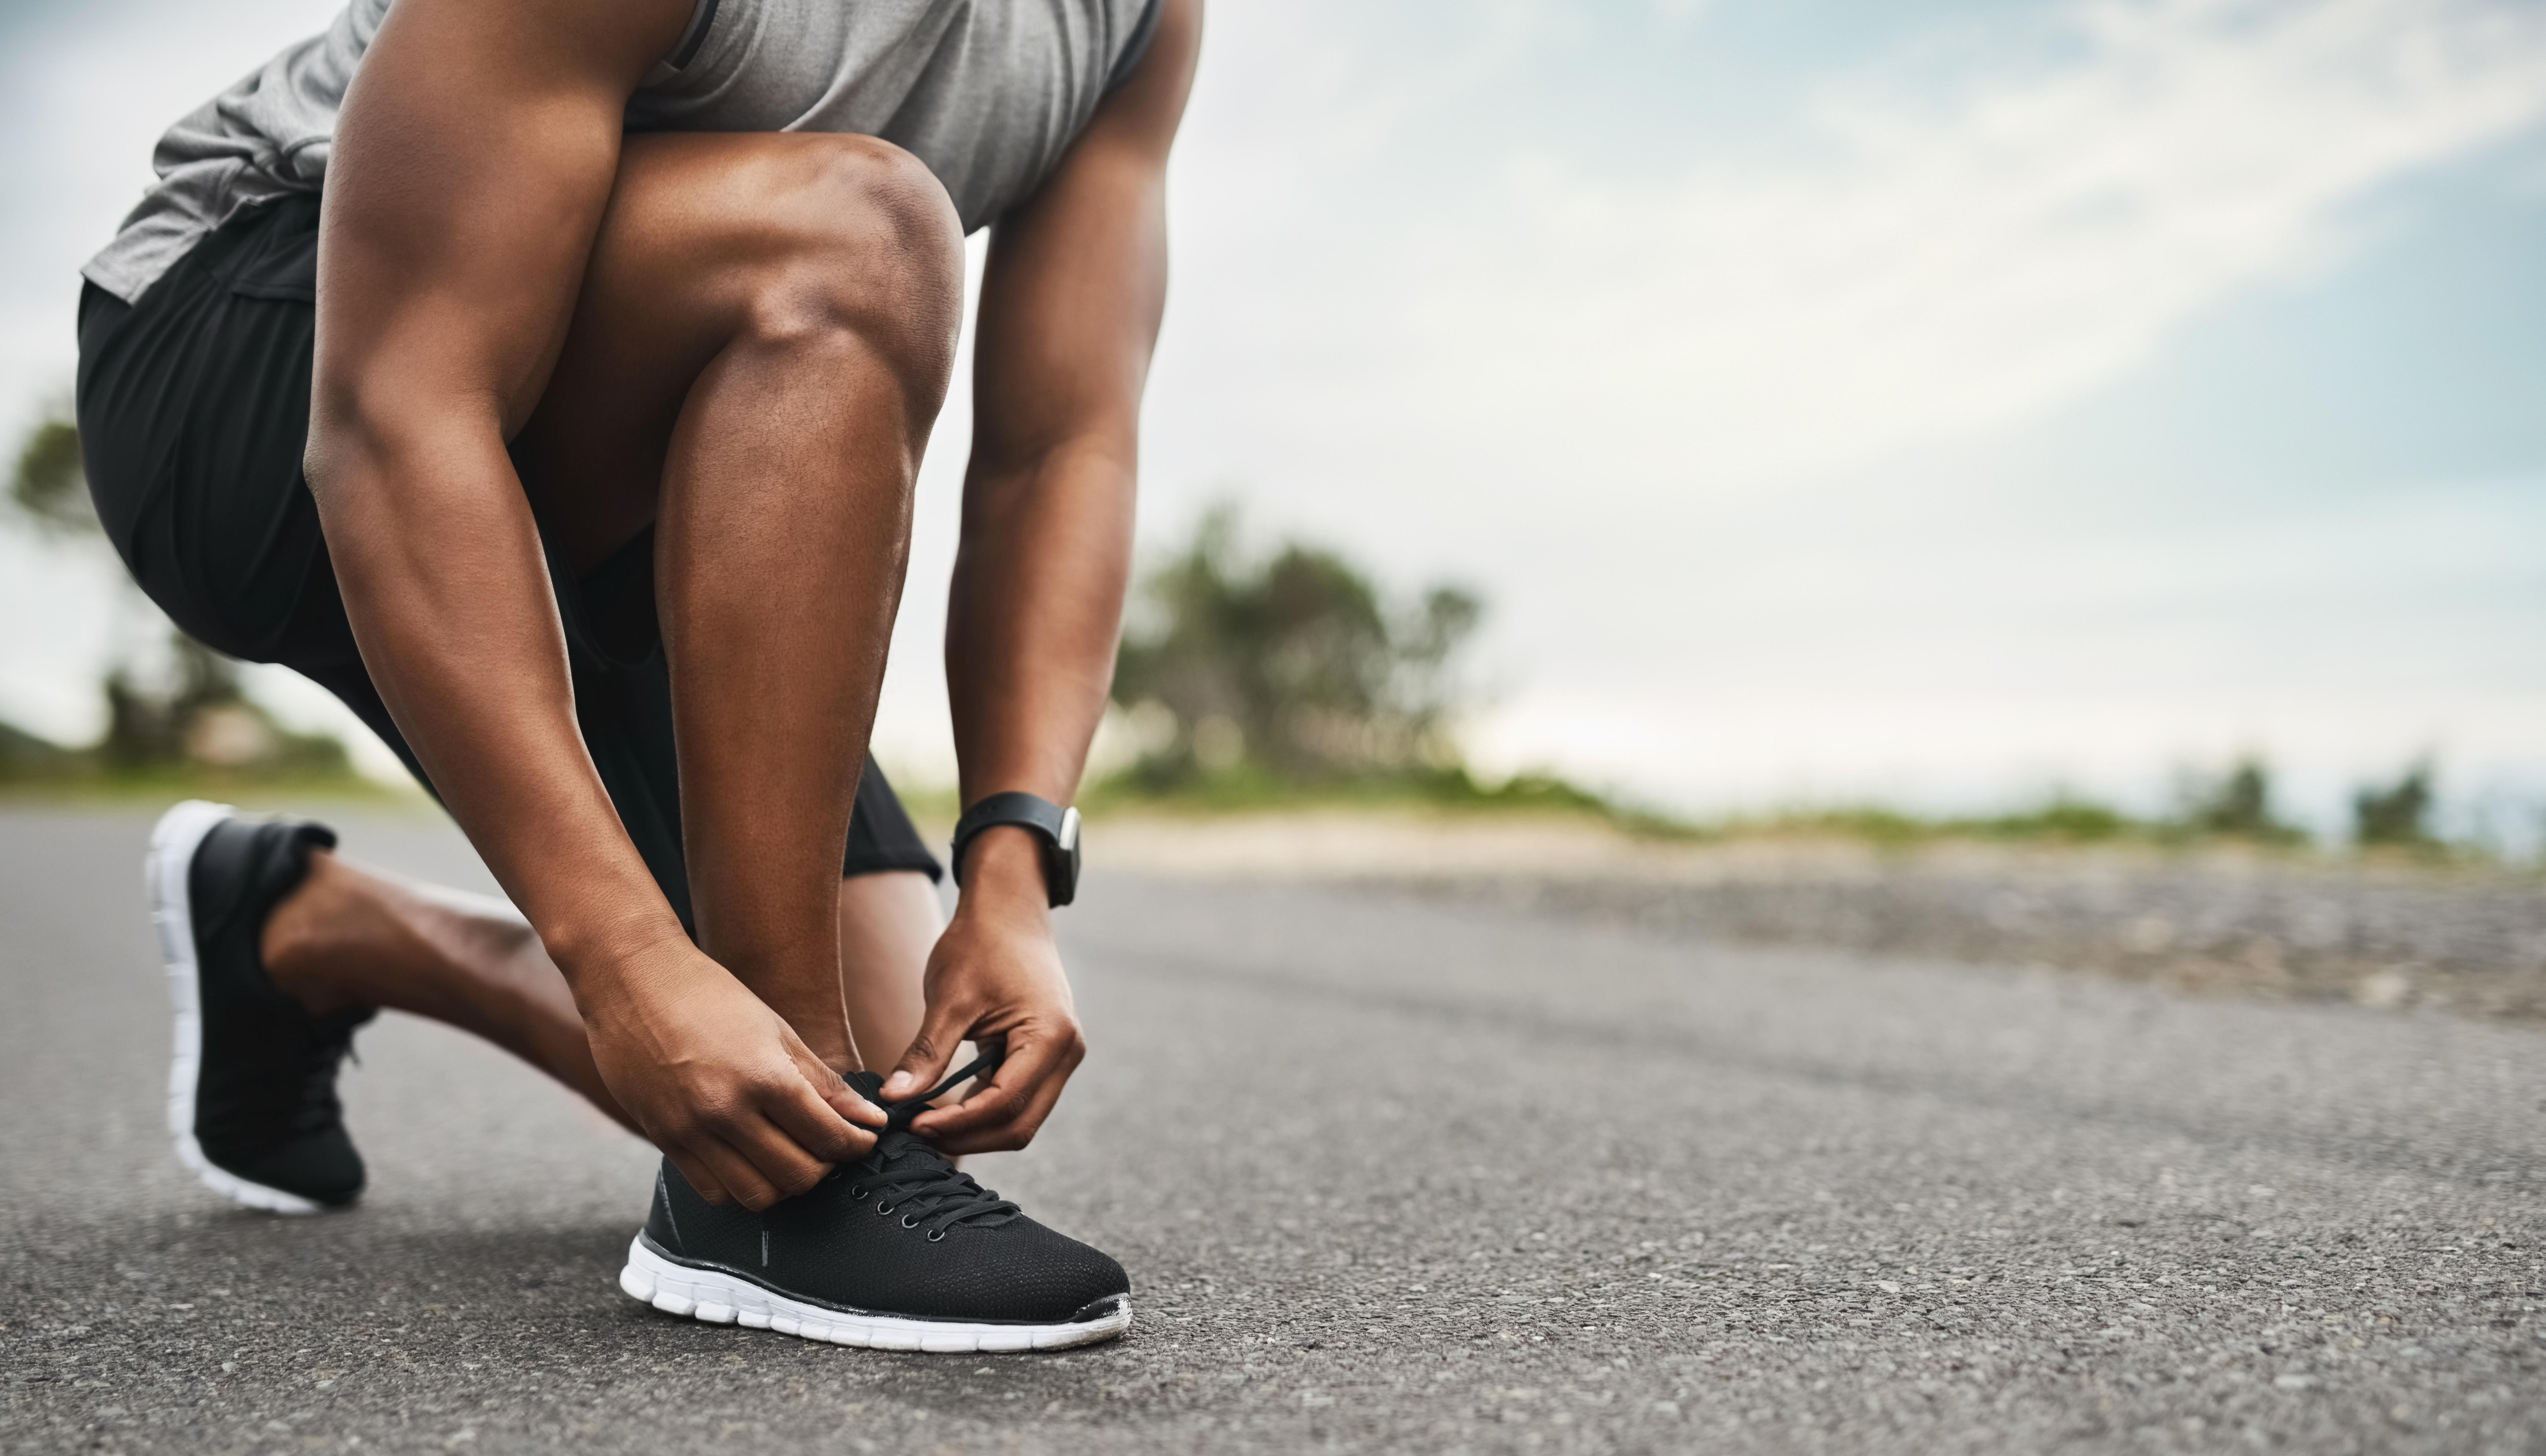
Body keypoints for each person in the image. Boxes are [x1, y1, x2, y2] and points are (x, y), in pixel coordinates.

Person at [77, 0, 1198, 1354]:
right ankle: (772, 1221)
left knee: (880, 1065)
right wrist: (617, 957)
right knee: (856, 231)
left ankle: (303, 933)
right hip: (256, 352)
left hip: (657, 454)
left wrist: (1013, 873)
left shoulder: (1134, 19)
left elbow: (1058, 449)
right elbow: (394, 410)